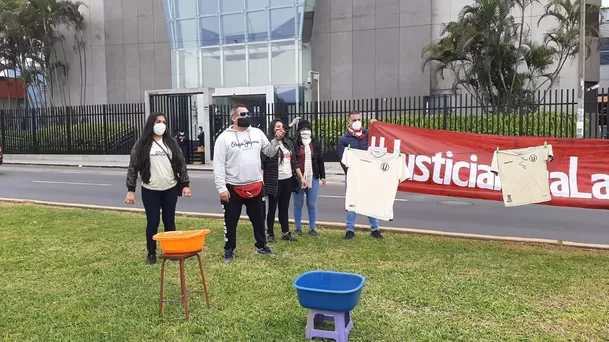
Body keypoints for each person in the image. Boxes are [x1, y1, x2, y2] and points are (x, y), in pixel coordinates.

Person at [213, 104, 282, 263]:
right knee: (230, 221)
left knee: (259, 218)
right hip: (233, 186)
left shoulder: (257, 133)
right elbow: (218, 165)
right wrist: (221, 188)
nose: (246, 116)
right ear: (234, 118)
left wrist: (276, 140)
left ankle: (261, 245)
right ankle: (229, 249)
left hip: (256, 185)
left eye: (248, 113)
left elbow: (269, 152)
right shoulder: (224, 138)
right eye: (242, 114)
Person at [125, 112, 192, 265]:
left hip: (170, 188)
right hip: (150, 189)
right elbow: (133, 168)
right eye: (157, 121)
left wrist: (185, 184)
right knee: (153, 222)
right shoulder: (141, 144)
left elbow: (180, 163)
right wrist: (131, 190)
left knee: (169, 221)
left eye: (163, 122)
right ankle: (151, 253)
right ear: (151, 124)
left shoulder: (171, 143)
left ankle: (172, 251)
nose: (161, 124)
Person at [336, 111, 382, 240]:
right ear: (349, 122)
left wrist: (375, 125)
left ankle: (375, 229)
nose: (357, 122)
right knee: (351, 202)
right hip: (352, 175)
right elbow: (341, 158)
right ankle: (350, 230)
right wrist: (350, 172)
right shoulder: (343, 139)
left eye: (359, 119)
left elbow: (380, 139)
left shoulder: (368, 134)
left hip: (367, 174)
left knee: (370, 201)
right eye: (354, 120)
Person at [262, 119, 304, 243]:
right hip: (274, 180)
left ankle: (285, 232)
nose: (280, 129)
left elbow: (294, 162)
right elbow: (264, 160)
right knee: (272, 208)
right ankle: (270, 233)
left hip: (287, 179)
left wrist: (301, 178)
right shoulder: (268, 143)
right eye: (277, 127)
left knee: (284, 207)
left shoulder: (288, 143)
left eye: (282, 127)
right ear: (272, 129)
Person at [292, 119, 326, 237]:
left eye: (307, 129)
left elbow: (320, 160)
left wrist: (323, 176)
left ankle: (312, 228)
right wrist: (290, 125)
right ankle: (298, 228)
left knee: (312, 204)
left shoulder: (315, 143)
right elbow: (293, 160)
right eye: (302, 129)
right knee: (298, 203)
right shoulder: (294, 143)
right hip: (298, 178)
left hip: (314, 176)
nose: (305, 131)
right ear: (299, 131)